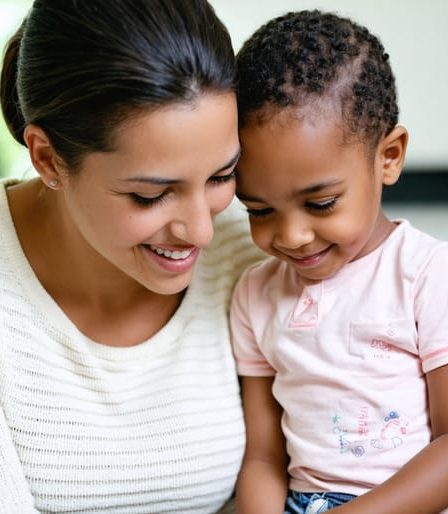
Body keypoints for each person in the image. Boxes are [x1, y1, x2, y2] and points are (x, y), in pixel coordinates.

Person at [0, 1, 264, 512]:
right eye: (150, 195)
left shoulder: (252, 253)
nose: (202, 231)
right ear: (46, 157)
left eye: (221, 176)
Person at [230, 9, 448, 514]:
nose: (291, 236)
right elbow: (263, 458)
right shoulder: (255, 295)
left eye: (321, 203)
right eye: (259, 210)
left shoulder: (425, 274)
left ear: (389, 157)